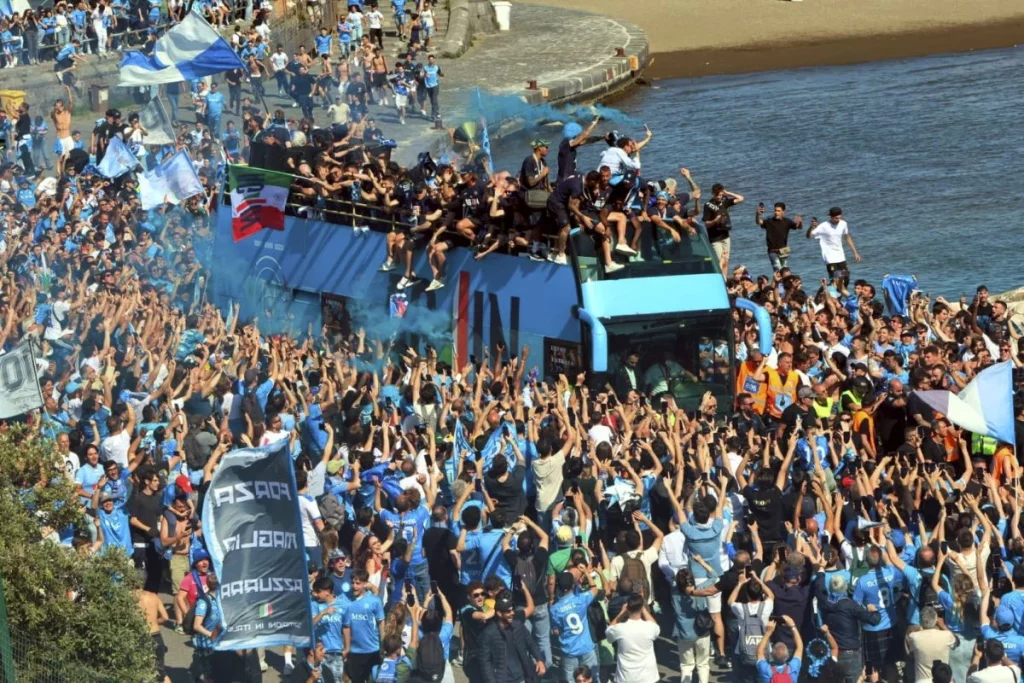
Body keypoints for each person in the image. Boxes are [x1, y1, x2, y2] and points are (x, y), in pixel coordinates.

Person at [478, 590, 546, 683]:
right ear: (499, 613)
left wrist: (539, 660)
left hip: (523, 676)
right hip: (503, 679)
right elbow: (485, 663)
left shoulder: (518, 626)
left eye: (512, 610)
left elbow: (531, 644)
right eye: (508, 611)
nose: (512, 613)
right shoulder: (488, 633)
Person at [605, 594, 661, 683]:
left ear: (627, 608)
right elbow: (655, 626)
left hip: (626, 677)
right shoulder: (649, 628)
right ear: (641, 608)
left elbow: (608, 631)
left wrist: (621, 613)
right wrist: (644, 610)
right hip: (648, 677)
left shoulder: (620, 629)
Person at [343, 568, 386, 683]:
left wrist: (383, 644)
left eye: (358, 583)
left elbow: (381, 623)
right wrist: (346, 648)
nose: (354, 586)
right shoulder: (346, 601)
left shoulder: (375, 601)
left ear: (365, 584)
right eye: (352, 583)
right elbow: (346, 627)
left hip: (373, 650)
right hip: (355, 652)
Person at [806, 207, 861, 283]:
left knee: (846, 278)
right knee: (834, 281)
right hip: (830, 258)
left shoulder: (843, 224)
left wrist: (855, 253)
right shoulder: (824, 226)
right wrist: (811, 227)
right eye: (836, 218)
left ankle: (842, 293)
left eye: (839, 218)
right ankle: (832, 293)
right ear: (831, 217)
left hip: (840, 256)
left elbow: (847, 237)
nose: (838, 220)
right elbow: (808, 236)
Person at [702, 182, 744, 273]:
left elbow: (741, 198)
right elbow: (706, 224)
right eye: (717, 194)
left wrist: (728, 193)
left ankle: (724, 280)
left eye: (720, 194)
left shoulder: (724, 201)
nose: (719, 197)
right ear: (713, 193)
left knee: (726, 261)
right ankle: (721, 280)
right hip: (715, 238)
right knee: (721, 261)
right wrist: (715, 221)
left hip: (725, 236)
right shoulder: (708, 205)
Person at [755, 201, 802, 272]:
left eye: (778, 211)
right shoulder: (769, 221)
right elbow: (758, 222)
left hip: (784, 250)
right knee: (778, 268)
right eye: (775, 210)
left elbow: (798, 227)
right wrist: (758, 214)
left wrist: (800, 222)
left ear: (783, 211)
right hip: (772, 251)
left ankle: (783, 282)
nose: (776, 212)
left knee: (785, 271)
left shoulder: (787, 221)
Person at [755, 615, 803, 683]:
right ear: (787, 656)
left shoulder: (765, 670)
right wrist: (792, 626)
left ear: (771, 655)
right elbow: (800, 647)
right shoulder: (793, 668)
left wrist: (768, 632)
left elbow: (759, 652)